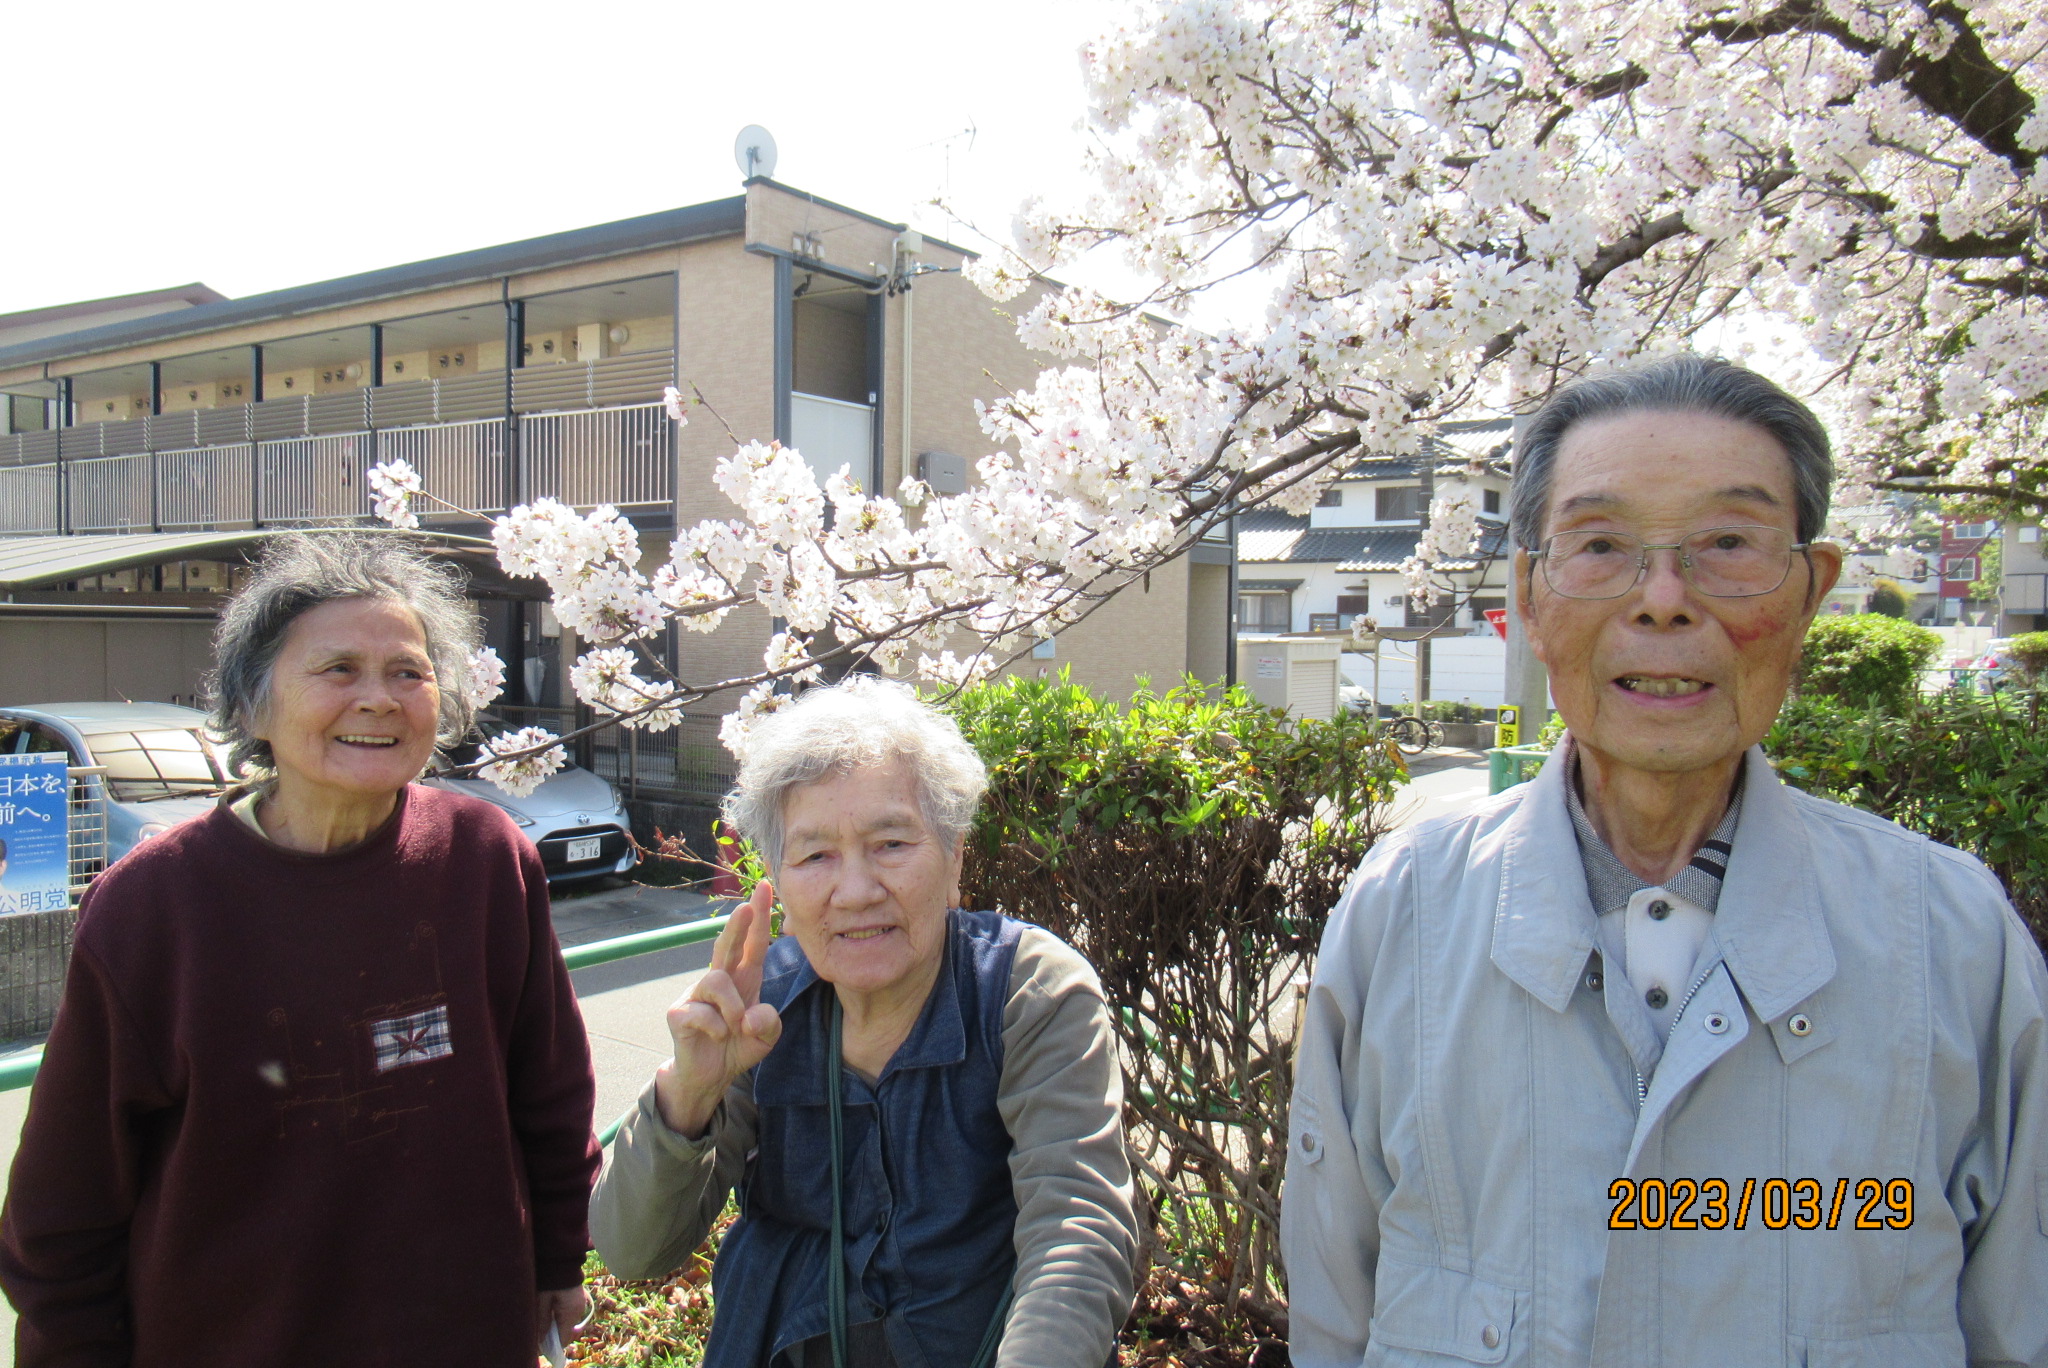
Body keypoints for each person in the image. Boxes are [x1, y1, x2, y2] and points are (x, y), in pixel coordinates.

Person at [1284, 356, 2048, 1365]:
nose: (1662, 602)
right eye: (1600, 545)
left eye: (1727, 543)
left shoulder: (1950, 937)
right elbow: (1335, 1315)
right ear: (1529, 598)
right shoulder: (1404, 913)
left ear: (1810, 592)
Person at [0, 532, 600, 1366]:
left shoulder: (485, 857)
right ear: (253, 708)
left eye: (409, 672)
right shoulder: (152, 907)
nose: (379, 699)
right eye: (338, 669)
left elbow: (550, 1088)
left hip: (466, 1332)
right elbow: (65, 1200)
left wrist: (559, 1257)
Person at [590, 677, 1136, 1368]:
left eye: (891, 844)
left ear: (955, 857)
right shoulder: (761, 1011)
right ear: (777, 882)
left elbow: (1076, 1231)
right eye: (815, 855)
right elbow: (633, 1250)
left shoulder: (1027, 990)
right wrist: (688, 1094)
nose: (854, 891)